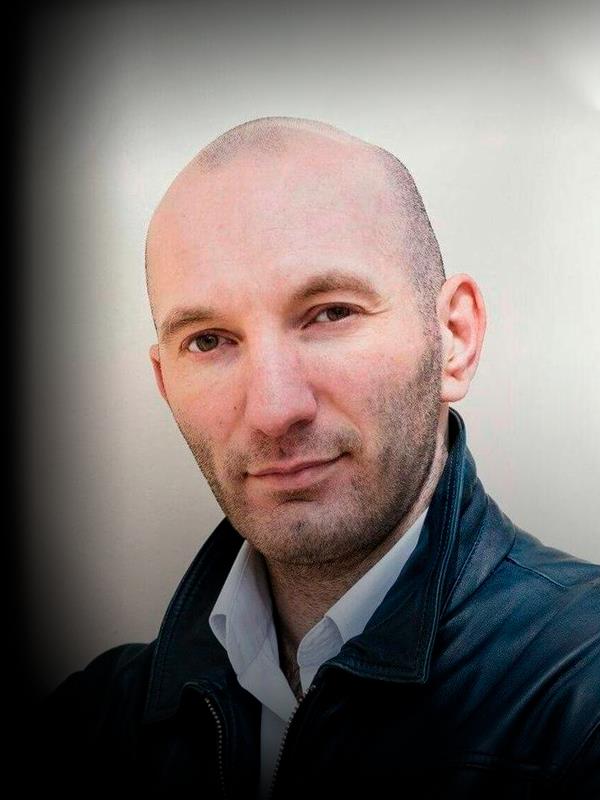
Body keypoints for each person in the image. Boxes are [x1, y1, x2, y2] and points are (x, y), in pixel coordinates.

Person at [34, 117, 599, 798]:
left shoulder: (584, 698)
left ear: (454, 338)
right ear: (165, 383)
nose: (274, 409)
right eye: (208, 341)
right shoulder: (93, 722)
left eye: (331, 313)